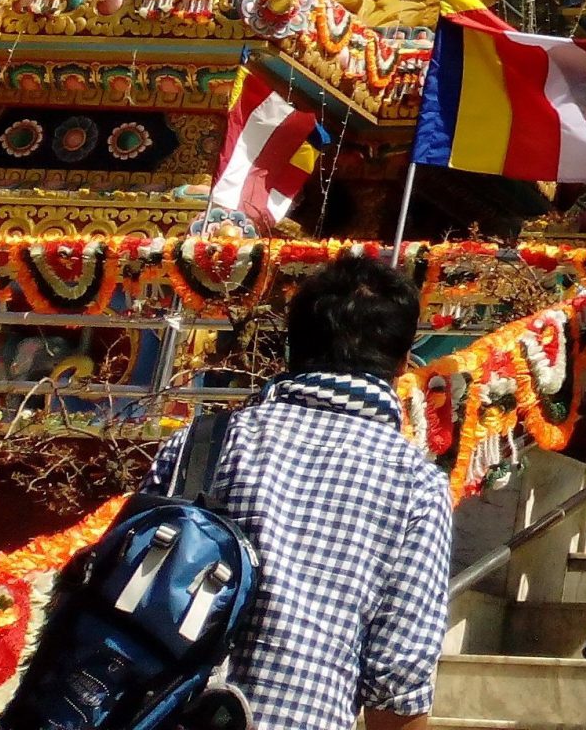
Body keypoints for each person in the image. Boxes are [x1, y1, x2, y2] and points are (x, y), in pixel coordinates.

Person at [143, 253, 450, 730]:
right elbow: (398, 678)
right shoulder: (417, 483)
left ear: (293, 346)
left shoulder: (204, 441)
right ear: (403, 362)